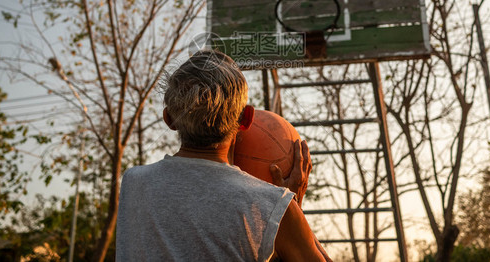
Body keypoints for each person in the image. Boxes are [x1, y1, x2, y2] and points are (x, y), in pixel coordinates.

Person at [116, 50, 330, 261]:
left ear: (169, 119)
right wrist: (291, 209)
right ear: (246, 119)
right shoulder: (269, 206)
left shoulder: (133, 183)